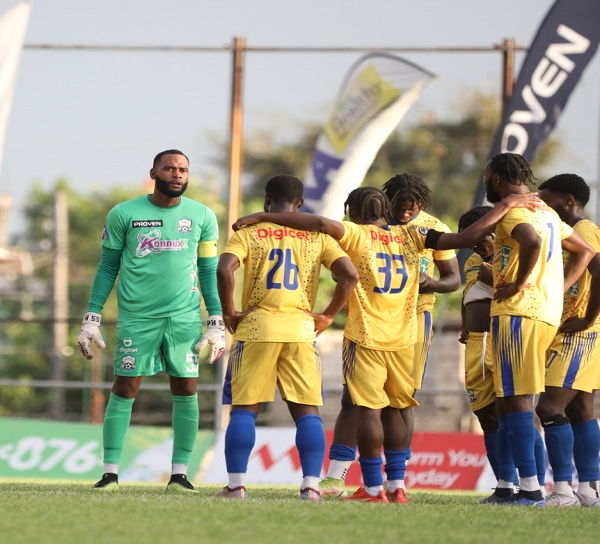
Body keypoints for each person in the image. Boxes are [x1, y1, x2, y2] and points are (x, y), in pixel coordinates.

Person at [233, 185, 540, 503]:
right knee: (396, 408)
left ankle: (374, 488)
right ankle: (397, 485)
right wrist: (504, 205)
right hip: (406, 337)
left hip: (366, 336)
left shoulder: (355, 234)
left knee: (366, 409)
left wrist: (262, 215)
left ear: (353, 211)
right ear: (385, 210)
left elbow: (322, 225)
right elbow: (466, 238)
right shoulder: (414, 234)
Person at [77, 149, 224, 492]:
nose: (177, 174)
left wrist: (215, 319)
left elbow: (207, 270)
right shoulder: (123, 213)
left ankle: (179, 475)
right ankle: (110, 473)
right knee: (125, 387)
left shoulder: (202, 216)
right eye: (170, 168)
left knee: (186, 388)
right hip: (137, 317)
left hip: (184, 318)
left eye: (183, 170)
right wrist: (92, 315)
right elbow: (107, 266)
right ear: (154, 172)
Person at [216, 175, 358, 501]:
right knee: (307, 413)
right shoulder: (316, 236)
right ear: (300, 205)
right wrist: (328, 314)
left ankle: (236, 486)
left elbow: (224, 270)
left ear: (267, 202)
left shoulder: (249, 232)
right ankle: (310, 486)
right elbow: (350, 275)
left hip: (256, 328)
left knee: (243, 411)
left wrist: (229, 312)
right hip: (300, 330)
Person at [321, 174, 461, 496]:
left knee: (398, 403)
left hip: (414, 320)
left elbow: (453, 278)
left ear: (421, 206)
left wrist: (432, 284)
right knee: (352, 399)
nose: (405, 214)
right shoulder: (378, 227)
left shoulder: (427, 228)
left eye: (412, 209)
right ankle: (338, 477)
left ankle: (388, 483)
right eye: (399, 208)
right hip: (376, 317)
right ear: (387, 202)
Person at [481, 153, 594, 506]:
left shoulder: (516, 210)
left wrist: (518, 283)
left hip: (518, 313)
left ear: (496, 177)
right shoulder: (547, 212)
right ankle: (509, 486)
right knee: (507, 401)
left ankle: (531, 490)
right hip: (545, 313)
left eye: (486, 176)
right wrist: (555, 291)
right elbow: (584, 252)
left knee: (517, 401)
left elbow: (530, 242)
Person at [535, 174, 600, 507]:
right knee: (581, 408)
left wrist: (587, 318)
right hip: (580, 330)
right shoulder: (573, 231)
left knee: (549, 406)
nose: (543, 205)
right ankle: (590, 490)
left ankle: (563, 490)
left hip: (580, 332)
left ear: (568, 200)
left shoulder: (583, 231)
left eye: (547, 199)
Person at [456, 206, 521, 504]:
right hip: (474, 344)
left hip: (502, 338)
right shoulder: (472, 259)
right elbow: (468, 293)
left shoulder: (510, 254)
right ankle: (504, 485)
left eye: (477, 237)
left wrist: (492, 265)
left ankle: (528, 483)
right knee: (485, 415)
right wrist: (464, 323)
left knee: (513, 411)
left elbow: (521, 292)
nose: (473, 244)